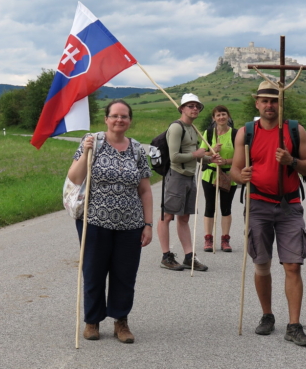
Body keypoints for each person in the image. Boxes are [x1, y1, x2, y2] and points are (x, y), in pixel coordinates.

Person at [230, 81, 306, 347]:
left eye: (274, 100)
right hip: (258, 204)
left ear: (281, 103)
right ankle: (267, 315)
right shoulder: (246, 132)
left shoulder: (294, 130)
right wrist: (240, 176)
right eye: (264, 101)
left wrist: (292, 161)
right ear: (257, 103)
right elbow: (235, 170)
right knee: (262, 263)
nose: (269, 105)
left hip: (289, 204)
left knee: (293, 264)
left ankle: (294, 325)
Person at [67, 99, 153, 343]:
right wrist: (86, 152)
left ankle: (121, 321)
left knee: (125, 274)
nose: (119, 120)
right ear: (106, 118)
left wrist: (148, 224)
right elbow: (74, 177)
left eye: (124, 116)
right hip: (94, 221)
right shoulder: (92, 142)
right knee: (93, 271)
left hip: (130, 224)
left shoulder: (137, 149)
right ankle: (92, 321)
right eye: (114, 115)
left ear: (130, 120)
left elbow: (145, 190)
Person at [157, 93, 219, 271]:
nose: (194, 109)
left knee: (184, 218)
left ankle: (189, 257)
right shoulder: (177, 128)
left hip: (189, 176)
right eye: (190, 106)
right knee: (167, 216)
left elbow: (197, 158)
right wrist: (197, 154)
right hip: (176, 176)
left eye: (197, 106)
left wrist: (210, 160)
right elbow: (174, 157)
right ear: (182, 108)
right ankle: (166, 256)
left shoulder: (193, 129)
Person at [201, 105, 238, 252]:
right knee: (210, 207)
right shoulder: (208, 133)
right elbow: (201, 156)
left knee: (226, 208)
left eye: (224, 114)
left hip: (229, 176)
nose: (221, 117)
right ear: (213, 118)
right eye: (218, 115)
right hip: (209, 175)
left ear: (228, 116)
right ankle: (208, 239)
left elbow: (240, 158)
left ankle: (225, 240)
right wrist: (212, 153)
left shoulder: (236, 134)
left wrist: (225, 162)